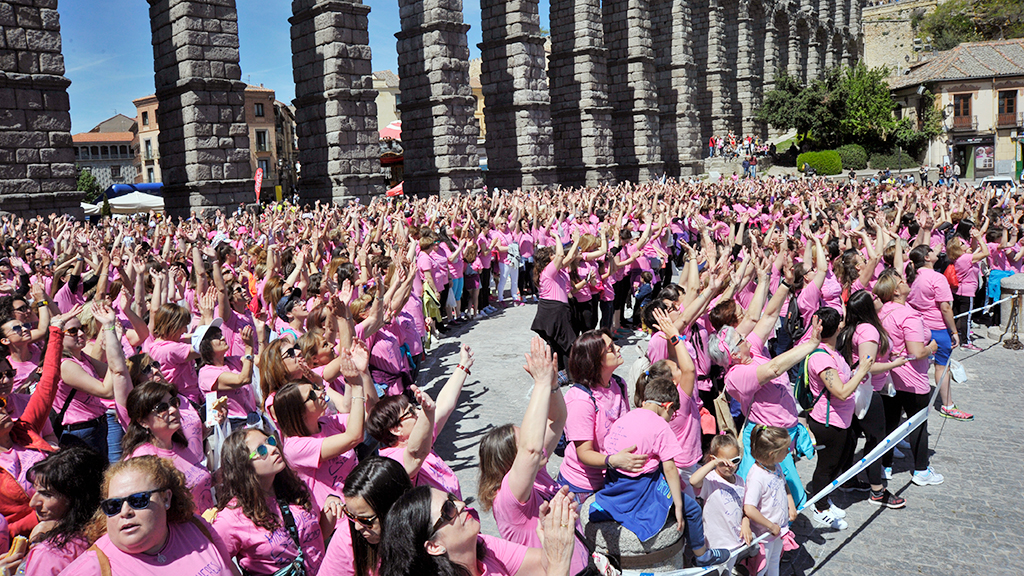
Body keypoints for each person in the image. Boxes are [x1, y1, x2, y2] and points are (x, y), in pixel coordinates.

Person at [477, 337, 588, 575]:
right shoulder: (508, 498)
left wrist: (552, 385)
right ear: (509, 462)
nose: (538, 443)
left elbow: (557, 419)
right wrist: (539, 383)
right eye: (529, 440)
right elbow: (531, 450)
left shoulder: (539, 471)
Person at [592, 376, 729, 566]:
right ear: (668, 405)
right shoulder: (660, 425)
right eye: (672, 413)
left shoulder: (626, 417)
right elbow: (670, 468)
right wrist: (679, 505)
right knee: (693, 510)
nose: (671, 419)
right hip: (641, 488)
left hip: (615, 482)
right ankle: (702, 554)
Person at [57, 455, 239, 575]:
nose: (125, 512)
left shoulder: (196, 527)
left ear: (166, 498)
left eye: (138, 500)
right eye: (113, 505)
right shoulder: (93, 567)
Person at [379, 485, 578, 576]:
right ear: (433, 546)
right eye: (448, 509)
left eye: (451, 498)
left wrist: (552, 534)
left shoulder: (482, 546)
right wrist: (559, 562)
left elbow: (543, 566)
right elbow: (554, 565)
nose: (460, 504)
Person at [212, 427, 327, 575]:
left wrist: (330, 507)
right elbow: (214, 562)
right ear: (243, 466)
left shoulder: (296, 487)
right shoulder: (231, 518)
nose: (273, 449)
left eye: (270, 441)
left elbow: (315, 537)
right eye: (261, 450)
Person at [836, 290, 908, 508]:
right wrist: (895, 364)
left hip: (860, 390)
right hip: (868, 392)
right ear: (868, 306)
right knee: (876, 441)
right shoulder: (868, 331)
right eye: (874, 298)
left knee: (853, 436)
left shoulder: (857, 328)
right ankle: (877, 490)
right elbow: (868, 366)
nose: (879, 298)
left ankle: (847, 479)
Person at [803, 307, 872, 530]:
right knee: (827, 466)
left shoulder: (833, 352)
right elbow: (840, 392)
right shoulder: (821, 359)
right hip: (827, 422)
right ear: (839, 327)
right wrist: (861, 372)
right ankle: (819, 506)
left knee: (836, 465)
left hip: (841, 419)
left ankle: (825, 499)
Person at [874, 271, 944, 487]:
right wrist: (931, 347)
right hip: (912, 377)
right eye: (902, 281)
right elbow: (915, 351)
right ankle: (921, 470)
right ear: (896, 291)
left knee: (891, 422)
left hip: (890, 376)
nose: (907, 282)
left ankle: (885, 466)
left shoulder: (883, 311)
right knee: (918, 424)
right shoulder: (908, 315)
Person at [557, 329, 641, 503]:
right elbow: (584, 453)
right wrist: (614, 460)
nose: (618, 348)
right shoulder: (581, 399)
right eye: (610, 348)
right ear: (595, 361)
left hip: (612, 476)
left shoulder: (618, 383)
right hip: (581, 488)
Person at [905, 244, 972, 420]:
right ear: (927, 257)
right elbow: (945, 307)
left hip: (918, 326)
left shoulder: (913, 277)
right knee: (943, 366)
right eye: (933, 251)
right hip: (937, 327)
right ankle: (948, 404)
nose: (938, 252)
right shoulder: (937, 278)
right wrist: (954, 331)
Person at [19, 445, 106, 575]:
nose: (33, 502)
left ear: (76, 498)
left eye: (47, 494)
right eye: (36, 491)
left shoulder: (48, 555)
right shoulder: (115, 537)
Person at [335, 456, 414, 576]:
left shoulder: (427, 534)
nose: (357, 526)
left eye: (365, 520)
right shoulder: (347, 536)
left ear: (395, 511)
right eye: (350, 514)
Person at [689, 434, 753, 575]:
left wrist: (746, 521)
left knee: (727, 572)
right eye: (724, 463)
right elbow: (693, 481)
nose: (730, 466)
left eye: (735, 461)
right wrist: (713, 463)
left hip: (734, 541)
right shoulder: (710, 480)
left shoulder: (740, 481)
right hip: (715, 543)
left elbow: (743, 508)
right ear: (714, 459)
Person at [743, 425, 798, 576]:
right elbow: (749, 508)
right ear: (772, 453)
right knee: (762, 567)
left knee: (774, 561)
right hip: (765, 533)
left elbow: (784, 484)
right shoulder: (756, 477)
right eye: (786, 449)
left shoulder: (776, 466)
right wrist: (770, 526)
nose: (789, 452)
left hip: (779, 528)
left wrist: (791, 505)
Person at [196, 320, 258, 432]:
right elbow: (243, 379)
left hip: (251, 418)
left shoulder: (232, 361)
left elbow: (255, 361)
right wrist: (248, 347)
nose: (223, 338)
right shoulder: (206, 373)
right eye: (216, 337)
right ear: (205, 346)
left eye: (220, 334)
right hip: (232, 425)